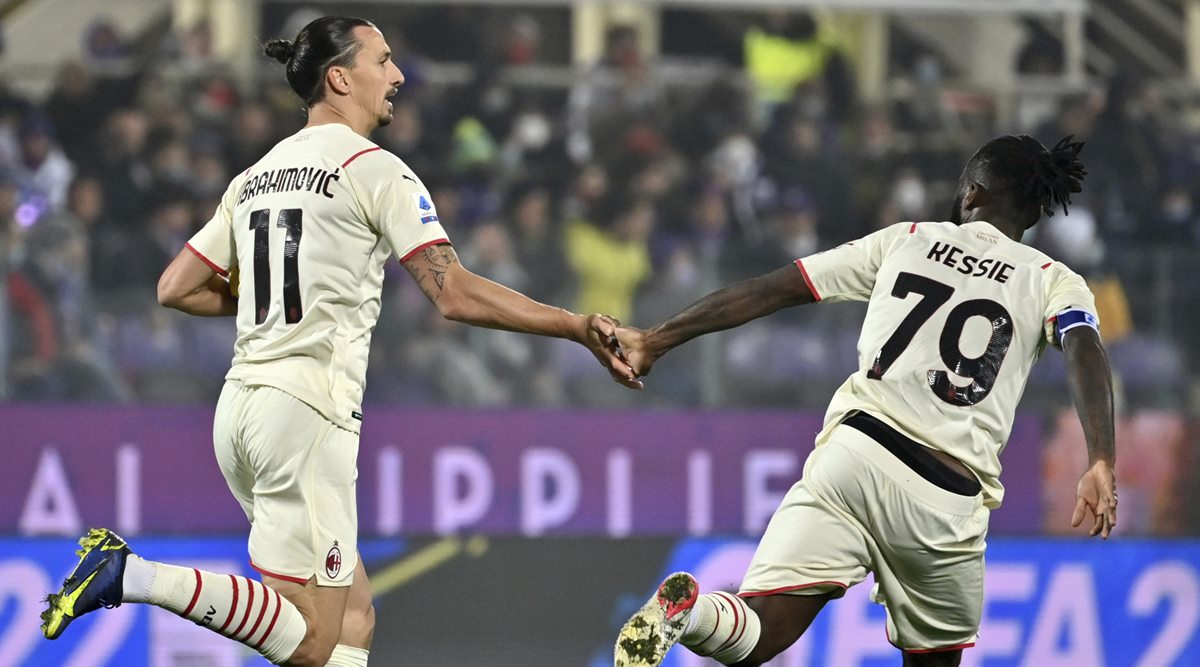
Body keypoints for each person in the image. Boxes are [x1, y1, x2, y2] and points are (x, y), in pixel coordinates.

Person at [40, 16, 638, 667]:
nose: (398, 76)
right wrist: (575, 325)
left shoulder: (258, 174)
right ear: (339, 76)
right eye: (383, 60)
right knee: (313, 636)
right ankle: (132, 576)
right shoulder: (375, 170)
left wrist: (273, 297)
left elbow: (175, 286)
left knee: (354, 615)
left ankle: (134, 576)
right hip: (307, 414)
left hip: (240, 409)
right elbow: (454, 292)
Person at [613, 135, 1118, 667]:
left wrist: (655, 339)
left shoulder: (908, 239)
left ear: (972, 193)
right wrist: (1101, 456)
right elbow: (1085, 348)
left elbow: (771, 289)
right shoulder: (1052, 279)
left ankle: (690, 615)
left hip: (853, 455)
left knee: (757, 632)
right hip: (943, 496)